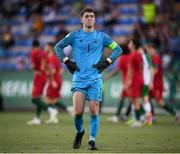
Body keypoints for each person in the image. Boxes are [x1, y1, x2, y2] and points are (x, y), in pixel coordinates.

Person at [54, 8, 122, 150]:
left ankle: (92, 140)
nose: (89, 18)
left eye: (92, 16)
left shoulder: (102, 37)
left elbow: (118, 49)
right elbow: (57, 47)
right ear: (82, 19)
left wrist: (108, 61)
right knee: (78, 113)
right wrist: (66, 61)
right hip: (79, 78)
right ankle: (80, 132)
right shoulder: (74, 36)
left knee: (94, 111)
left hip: (95, 79)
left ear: (95, 20)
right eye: (87, 16)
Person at [146, 43, 180, 123]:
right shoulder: (150, 58)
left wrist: (149, 80)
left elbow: (156, 70)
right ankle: (152, 116)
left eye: (150, 49)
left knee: (160, 102)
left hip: (156, 84)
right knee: (147, 99)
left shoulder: (156, 58)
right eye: (148, 49)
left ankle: (176, 113)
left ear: (153, 49)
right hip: (152, 83)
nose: (148, 51)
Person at [105, 44, 131, 122]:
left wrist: (107, 76)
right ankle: (126, 115)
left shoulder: (122, 58)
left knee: (124, 98)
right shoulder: (131, 57)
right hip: (132, 81)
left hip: (127, 81)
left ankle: (117, 116)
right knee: (132, 99)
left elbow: (117, 71)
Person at [27, 40, 48, 125]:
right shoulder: (43, 53)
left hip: (38, 76)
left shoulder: (33, 53)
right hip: (44, 76)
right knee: (38, 97)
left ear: (33, 46)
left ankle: (50, 110)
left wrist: (32, 69)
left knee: (34, 98)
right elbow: (44, 65)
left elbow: (32, 66)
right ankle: (37, 118)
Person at [44, 42, 65, 124]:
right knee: (52, 100)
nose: (45, 48)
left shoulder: (51, 58)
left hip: (53, 81)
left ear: (49, 47)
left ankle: (53, 115)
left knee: (48, 100)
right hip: (57, 80)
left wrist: (53, 80)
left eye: (46, 47)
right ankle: (53, 117)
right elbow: (61, 70)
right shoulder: (55, 57)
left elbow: (52, 71)